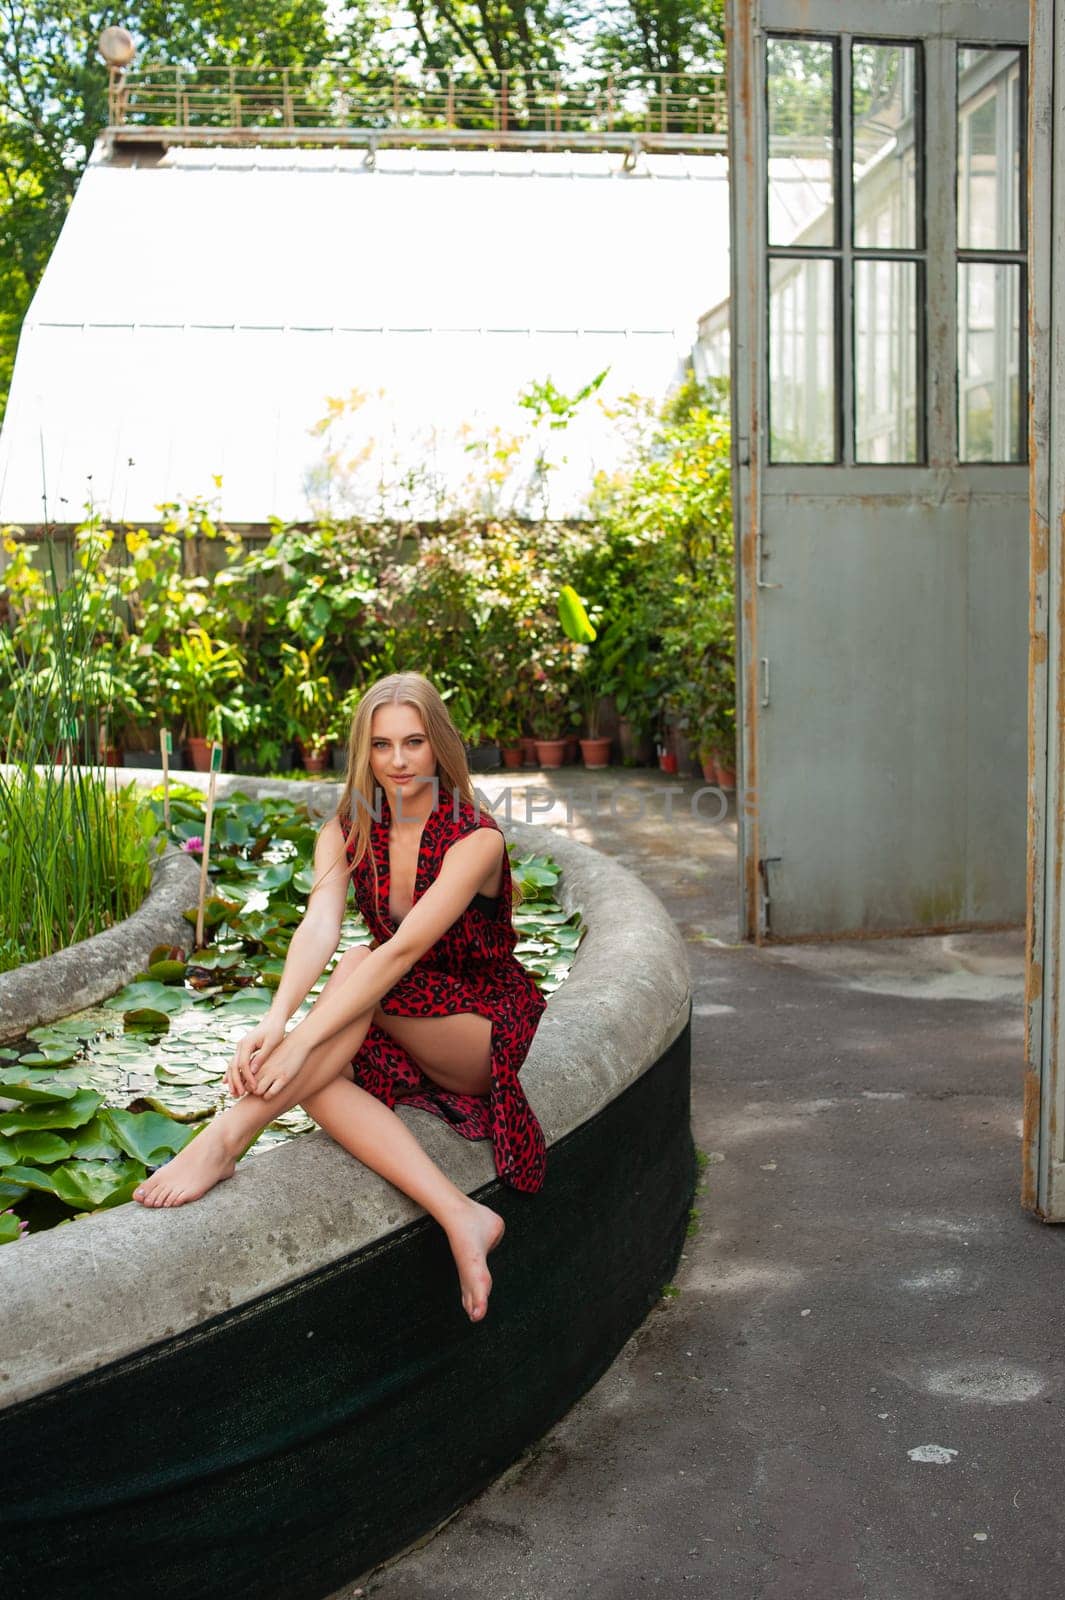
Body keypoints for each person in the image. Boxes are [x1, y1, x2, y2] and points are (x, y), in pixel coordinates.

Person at [132, 671, 548, 1323]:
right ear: (364, 751)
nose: (399, 760)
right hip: (396, 1013)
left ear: (438, 746)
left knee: (357, 968)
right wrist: (276, 1023)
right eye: (382, 745)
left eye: (413, 742)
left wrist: (298, 1041)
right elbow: (319, 924)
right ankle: (458, 1213)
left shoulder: (476, 839)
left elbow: (402, 951)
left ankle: (224, 1140)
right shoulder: (351, 828)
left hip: (476, 1033)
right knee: (316, 1078)